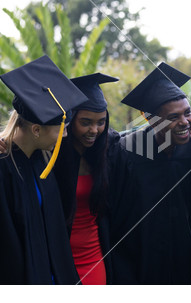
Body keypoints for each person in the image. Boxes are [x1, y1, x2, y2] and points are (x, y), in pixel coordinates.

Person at [110, 62, 191, 284]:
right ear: (151, 120)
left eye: (187, 113)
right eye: (173, 117)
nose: (184, 122)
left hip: (181, 259)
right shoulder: (125, 152)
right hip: (136, 264)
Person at [0, 55, 87, 284]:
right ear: (36, 130)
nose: (66, 136)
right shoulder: (3, 167)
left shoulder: (42, 162)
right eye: (62, 129)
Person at [52, 73, 126, 285]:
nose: (94, 130)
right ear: (70, 119)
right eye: (86, 122)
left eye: (101, 122)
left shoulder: (109, 148)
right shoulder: (50, 153)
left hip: (94, 255)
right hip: (59, 255)